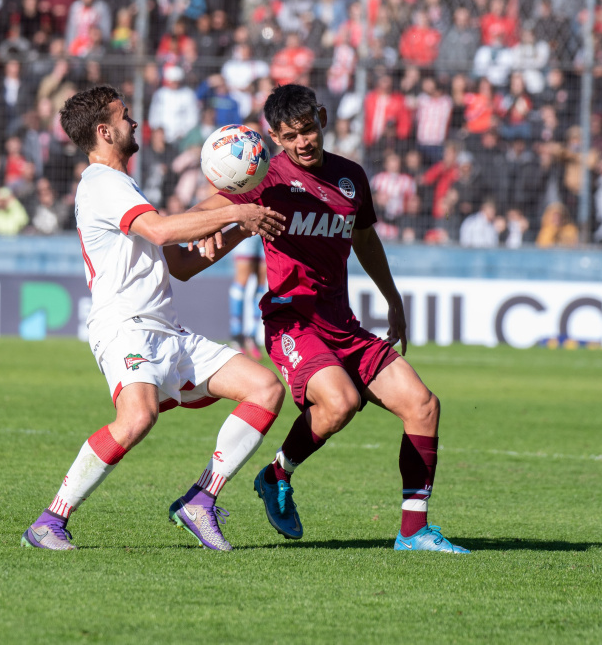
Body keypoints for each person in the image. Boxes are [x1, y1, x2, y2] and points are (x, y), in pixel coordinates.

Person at [192, 84, 469, 554]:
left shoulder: (350, 177)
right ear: (275, 138)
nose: (302, 142)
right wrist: (215, 226)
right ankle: (278, 476)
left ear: (321, 117)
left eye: (308, 129)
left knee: (423, 405)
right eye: (289, 136)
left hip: (343, 324)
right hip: (291, 322)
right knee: (339, 403)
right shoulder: (265, 176)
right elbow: (203, 211)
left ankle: (412, 531)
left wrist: (393, 299)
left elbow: (365, 241)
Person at [22, 85, 287, 552]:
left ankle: (201, 501)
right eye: (125, 116)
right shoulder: (102, 183)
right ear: (104, 130)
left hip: (165, 329)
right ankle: (50, 522)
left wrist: (240, 229)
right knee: (137, 417)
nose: (134, 122)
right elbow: (163, 229)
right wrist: (237, 208)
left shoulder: (123, 185)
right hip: (125, 325)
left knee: (264, 390)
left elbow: (180, 265)